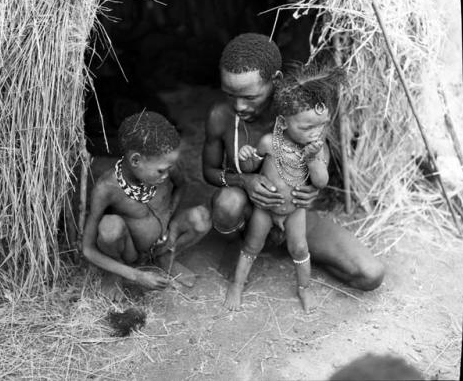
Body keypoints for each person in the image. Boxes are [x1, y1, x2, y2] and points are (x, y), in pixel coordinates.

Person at [202, 33, 384, 302]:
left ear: (275, 81)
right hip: (254, 213)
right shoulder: (221, 117)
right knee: (227, 202)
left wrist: (312, 190)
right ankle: (246, 245)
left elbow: (319, 173)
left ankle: (292, 250)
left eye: (250, 96)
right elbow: (208, 172)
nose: (239, 106)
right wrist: (245, 182)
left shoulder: (304, 115)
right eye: (230, 95)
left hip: (296, 214)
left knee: (370, 274)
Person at [224, 67, 345, 312]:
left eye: (320, 126)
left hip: (294, 210)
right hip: (265, 208)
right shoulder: (269, 142)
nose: (315, 133)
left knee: (299, 248)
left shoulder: (317, 149)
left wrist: (311, 159)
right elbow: (251, 167)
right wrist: (247, 156)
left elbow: (320, 181)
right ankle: (237, 284)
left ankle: (304, 289)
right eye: (307, 127)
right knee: (252, 245)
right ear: (283, 122)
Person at [83, 111, 211, 300]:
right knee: (109, 228)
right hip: (130, 251)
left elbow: (182, 185)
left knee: (202, 218)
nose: (167, 175)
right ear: (136, 160)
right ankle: (116, 270)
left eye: (169, 169)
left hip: (164, 239)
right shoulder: (106, 188)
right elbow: (88, 249)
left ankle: (165, 256)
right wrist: (136, 275)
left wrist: (169, 222)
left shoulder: (166, 165)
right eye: (161, 171)